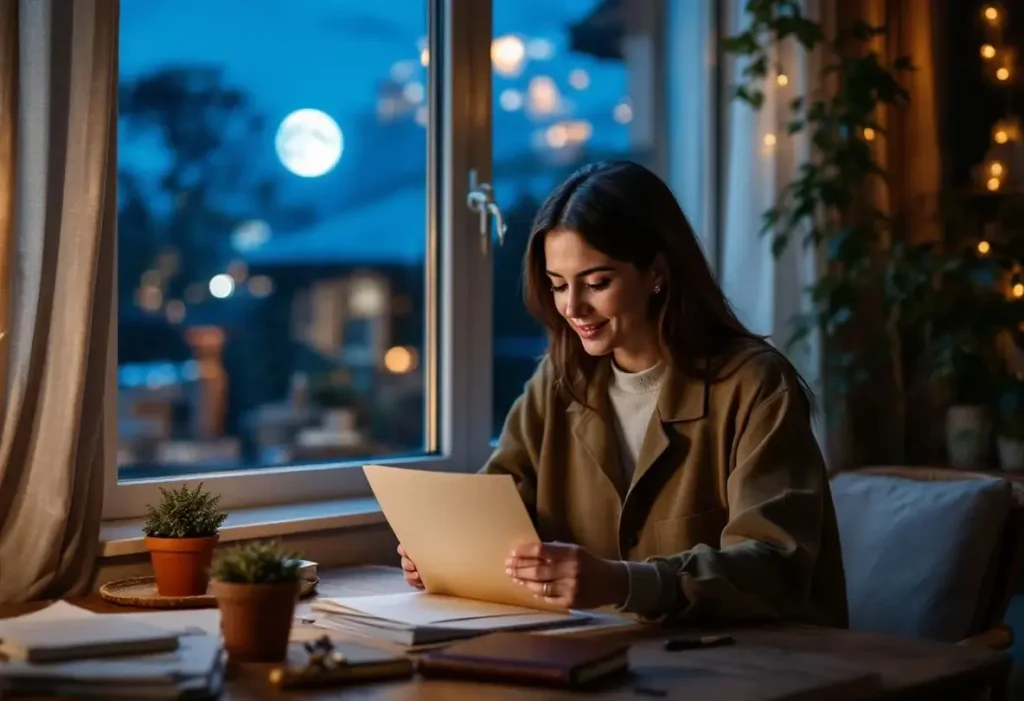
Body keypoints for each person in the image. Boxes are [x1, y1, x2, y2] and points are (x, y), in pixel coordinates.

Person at [398, 160, 848, 627]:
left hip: (747, 666)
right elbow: (494, 506)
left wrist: (624, 582)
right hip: (605, 660)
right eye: (557, 286)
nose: (573, 308)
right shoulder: (558, 381)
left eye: (596, 283)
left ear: (656, 273)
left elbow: (775, 564)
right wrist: (443, 550)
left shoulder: (754, 385)